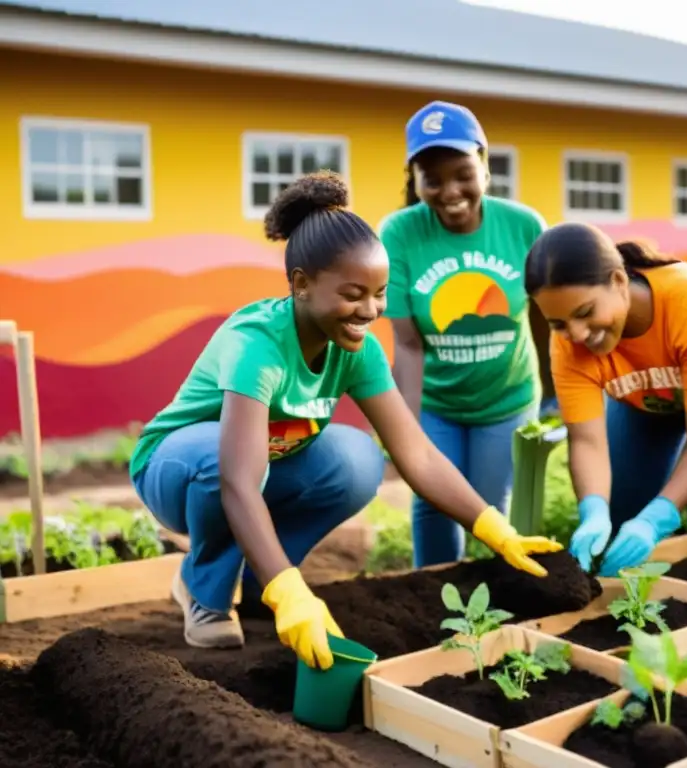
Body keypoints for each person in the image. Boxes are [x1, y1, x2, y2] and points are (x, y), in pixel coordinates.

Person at [128, 171, 561, 666]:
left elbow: (414, 451)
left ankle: (256, 581)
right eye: (354, 294)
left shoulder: (356, 351)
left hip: (262, 461)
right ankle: (204, 588)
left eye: (379, 294)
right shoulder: (257, 346)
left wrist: (493, 527)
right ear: (301, 284)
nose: (371, 310)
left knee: (357, 461)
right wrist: (293, 593)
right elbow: (237, 482)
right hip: (177, 470)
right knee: (217, 459)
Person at [524, 222, 687, 577]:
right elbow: (586, 441)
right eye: (559, 323)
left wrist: (657, 520)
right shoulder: (568, 342)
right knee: (621, 513)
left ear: (618, 281)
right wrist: (593, 510)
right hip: (649, 397)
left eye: (585, 313)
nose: (577, 335)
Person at [380, 100, 551, 568]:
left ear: (485, 166)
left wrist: (557, 398)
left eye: (462, 173)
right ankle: (434, 601)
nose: (450, 190)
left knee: (491, 507)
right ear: (415, 180)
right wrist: (407, 434)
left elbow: (546, 320)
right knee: (434, 502)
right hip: (438, 404)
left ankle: (497, 608)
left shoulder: (524, 226)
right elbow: (409, 346)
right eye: (432, 179)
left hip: (508, 400)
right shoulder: (398, 234)